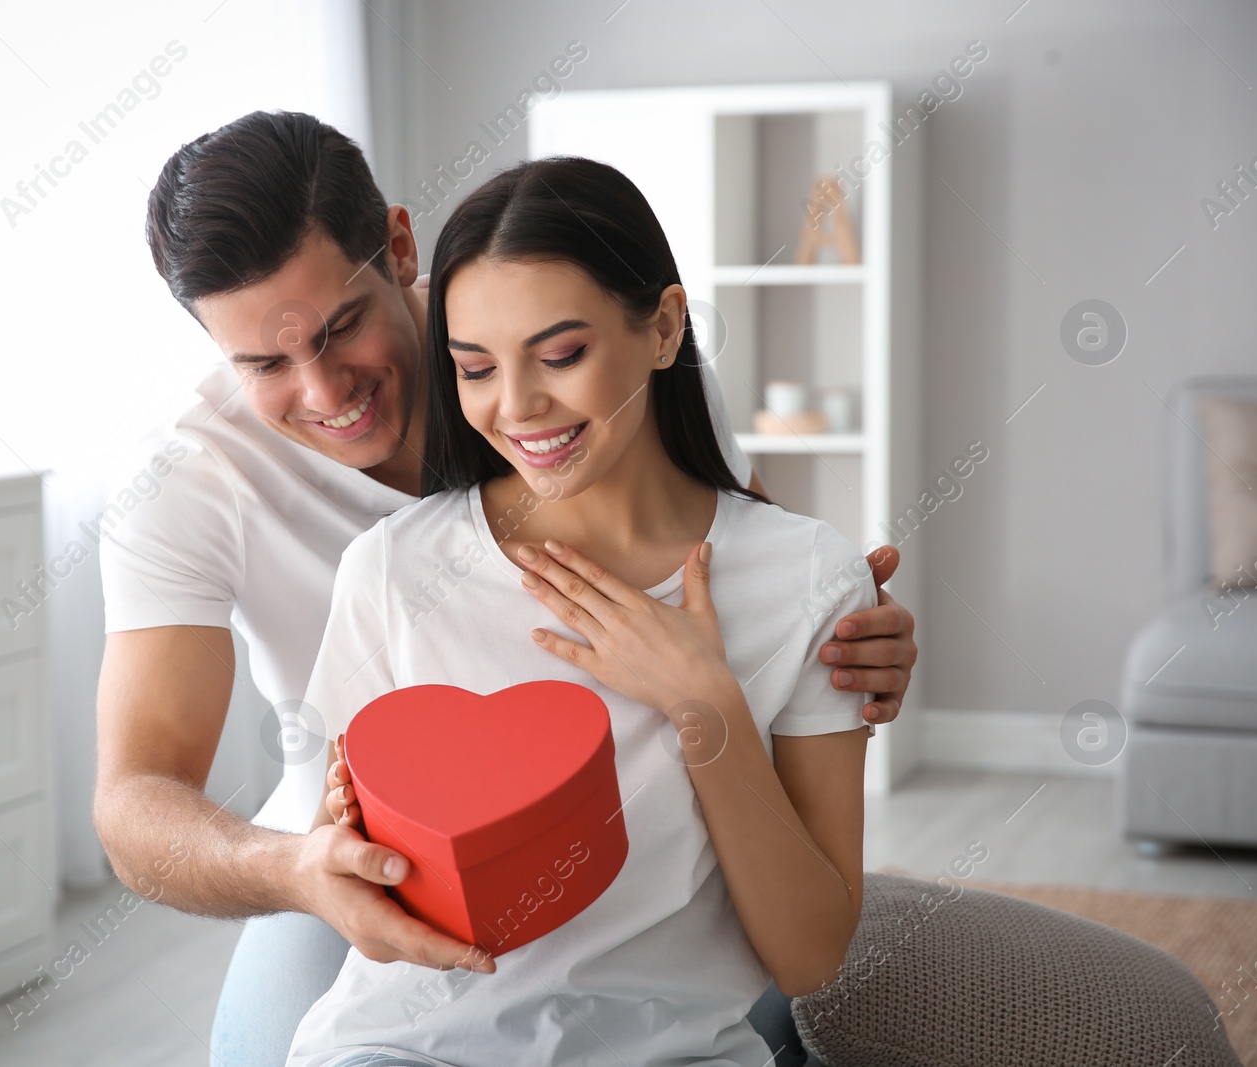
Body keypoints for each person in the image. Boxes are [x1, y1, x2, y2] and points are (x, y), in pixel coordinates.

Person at [93, 111, 918, 1067]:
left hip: (660, 848)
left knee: (725, 995)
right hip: (361, 850)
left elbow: (752, 568)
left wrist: (847, 632)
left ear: (400, 248)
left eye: (343, 326)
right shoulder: (202, 490)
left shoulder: (571, 326)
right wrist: (300, 868)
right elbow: (134, 797)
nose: (324, 393)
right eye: (265, 364)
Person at [284, 154, 872, 1067]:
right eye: (475, 367)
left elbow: (809, 955)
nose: (517, 407)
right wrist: (352, 859)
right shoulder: (394, 572)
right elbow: (364, 916)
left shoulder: (810, 577)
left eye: (561, 355)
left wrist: (705, 710)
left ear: (665, 327)